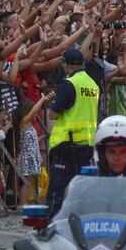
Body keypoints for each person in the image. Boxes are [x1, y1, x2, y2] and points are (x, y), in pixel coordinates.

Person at [45, 47, 100, 213]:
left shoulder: (69, 83)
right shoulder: (93, 84)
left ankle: (50, 228)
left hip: (67, 143)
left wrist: (52, 103)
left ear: (66, 65)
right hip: (87, 143)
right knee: (82, 188)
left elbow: (53, 115)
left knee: (57, 190)